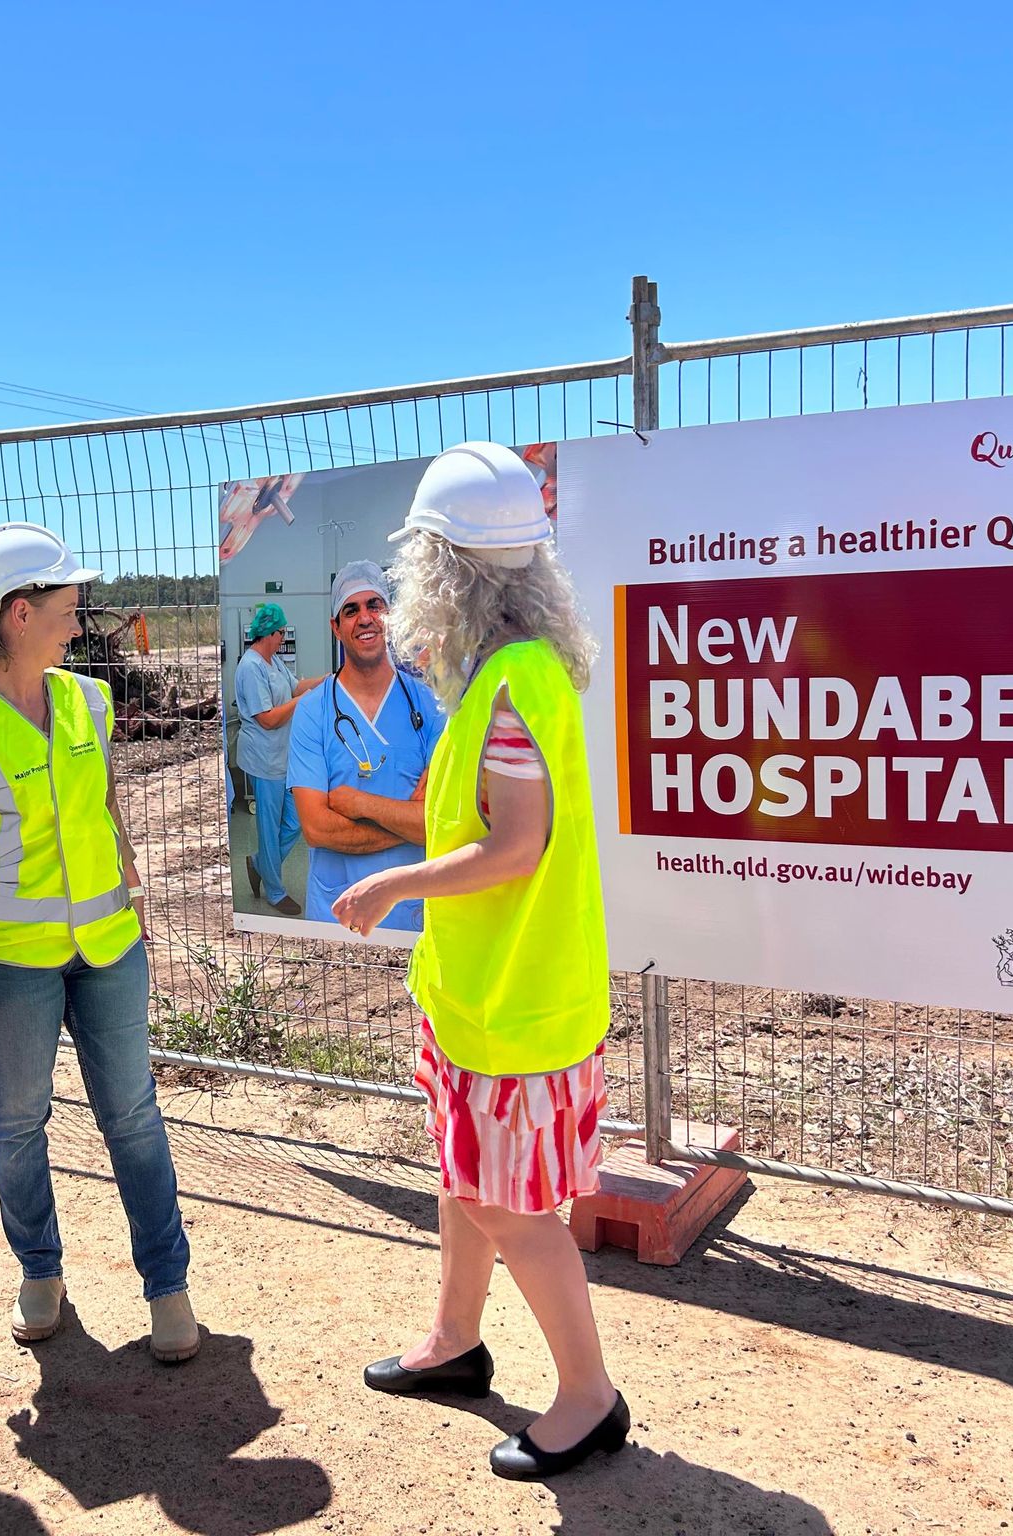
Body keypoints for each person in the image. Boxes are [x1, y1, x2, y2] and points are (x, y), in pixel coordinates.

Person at [332, 442, 627, 1480]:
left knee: (508, 1203)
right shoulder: (522, 671)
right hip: (482, 991)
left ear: (444, 569)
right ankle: (454, 1342)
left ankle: (588, 1397)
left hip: (513, 1002)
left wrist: (390, 884)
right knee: (467, 1174)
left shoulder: (506, 686)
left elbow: (514, 847)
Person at [0, 521, 200, 1365]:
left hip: (110, 950)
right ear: (14, 613)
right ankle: (40, 1272)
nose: (78, 620)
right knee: (18, 1123)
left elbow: (105, 813)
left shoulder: (89, 700)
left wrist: (136, 903)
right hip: (7, 965)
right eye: (65, 604)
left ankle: (168, 1286)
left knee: (135, 1117)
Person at [288, 561, 443, 931]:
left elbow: (440, 820)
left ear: (390, 616)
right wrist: (408, 821)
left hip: (413, 913)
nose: (365, 618)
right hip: (336, 910)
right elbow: (317, 829)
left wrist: (359, 804)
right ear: (336, 627)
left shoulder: (430, 706)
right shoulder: (313, 711)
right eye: (351, 610)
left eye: (375, 605)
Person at [232, 601, 321, 916]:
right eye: (281, 631)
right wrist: (304, 701)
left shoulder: (274, 662)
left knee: (295, 821)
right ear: (268, 631)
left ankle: (258, 864)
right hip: (264, 760)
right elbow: (268, 718)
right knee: (269, 827)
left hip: (283, 758)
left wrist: (329, 680)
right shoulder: (251, 666)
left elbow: (298, 687)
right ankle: (274, 890)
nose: (283, 637)